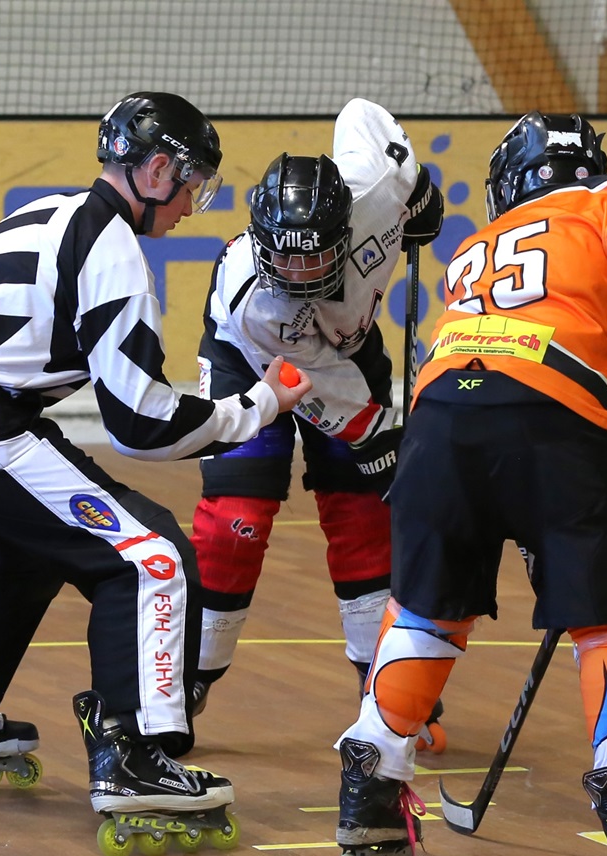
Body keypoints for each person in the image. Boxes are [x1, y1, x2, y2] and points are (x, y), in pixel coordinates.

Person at [0, 92, 311, 823]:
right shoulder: (112, 247)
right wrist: (257, 406)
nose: (190, 206)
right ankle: (132, 755)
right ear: (156, 172)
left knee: (27, 543)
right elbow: (140, 423)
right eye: (193, 185)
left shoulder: (52, 211)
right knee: (150, 554)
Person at [331, 111, 607, 856]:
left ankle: (372, 783)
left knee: (426, 609)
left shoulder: (475, 246)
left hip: (438, 424)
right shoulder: (601, 199)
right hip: (550, 414)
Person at [186, 98, 448, 748]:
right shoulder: (254, 301)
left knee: (364, 516)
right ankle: (187, 679)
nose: (297, 271)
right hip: (253, 363)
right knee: (238, 518)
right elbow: (321, 393)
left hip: (349, 351)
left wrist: (417, 189)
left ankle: (382, 687)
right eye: (284, 258)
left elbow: (361, 114)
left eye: (313, 257)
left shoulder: (378, 190)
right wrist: (389, 445)